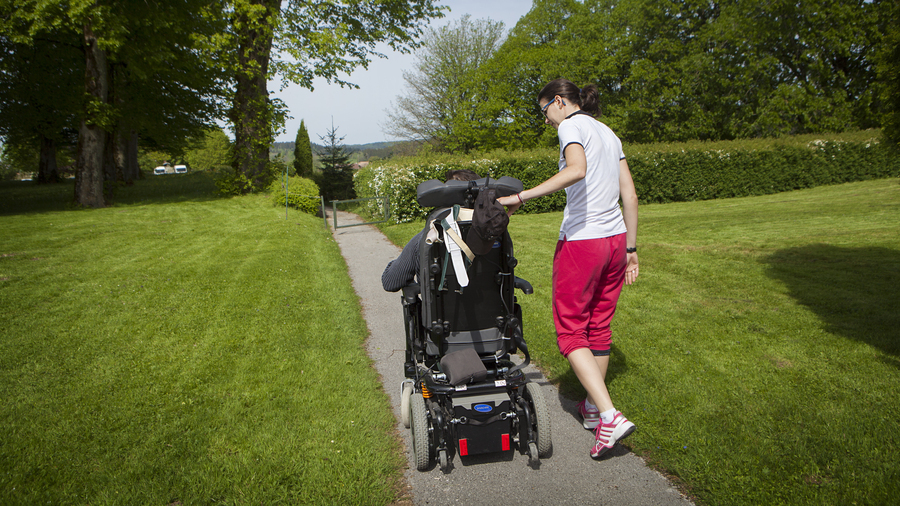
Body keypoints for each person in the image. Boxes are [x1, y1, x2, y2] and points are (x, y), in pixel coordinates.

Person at [497, 78, 640, 459]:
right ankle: (594, 406)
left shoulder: (572, 125)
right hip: (614, 242)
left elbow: (576, 170)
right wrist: (631, 248)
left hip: (583, 242)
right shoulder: (608, 132)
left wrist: (520, 197)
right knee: (599, 324)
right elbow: (630, 193)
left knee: (571, 329)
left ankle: (609, 416)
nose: (546, 121)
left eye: (544, 111)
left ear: (558, 102)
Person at [382, 169, 481, 292]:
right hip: (495, 309)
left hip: (442, 309)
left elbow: (390, 282)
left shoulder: (429, 236)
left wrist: (397, 264)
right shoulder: (497, 235)